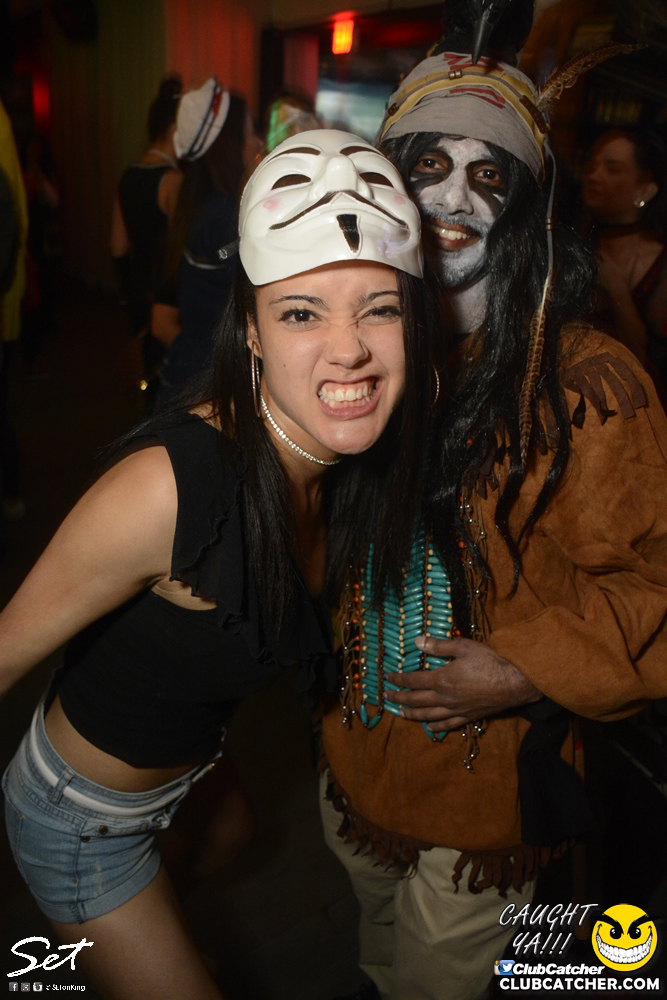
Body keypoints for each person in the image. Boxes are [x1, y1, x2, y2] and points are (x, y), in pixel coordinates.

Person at [1, 129, 429, 1000]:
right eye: (301, 312)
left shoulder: (352, 468)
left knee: (235, 839)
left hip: (191, 771)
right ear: (252, 332)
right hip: (76, 818)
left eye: (379, 308)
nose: (348, 348)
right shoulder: (168, 490)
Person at [319, 8, 667, 1000]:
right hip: (353, 766)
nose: (455, 198)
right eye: (429, 167)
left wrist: (522, 668)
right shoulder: (356, 341)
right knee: (378, 963)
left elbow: (655, 582)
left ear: (523, 207)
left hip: (487, 798)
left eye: (489, 175)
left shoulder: (585, 381)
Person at [153, 78, 261, 404]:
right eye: (249, 131)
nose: (257, 142)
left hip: (188, 375)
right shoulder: (223, 220)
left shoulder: (196, 205)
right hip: (210, 388)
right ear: (228, 145)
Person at [582, 128, 667, 388]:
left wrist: (617, 289)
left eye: (612, 169)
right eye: (593, 166)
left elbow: (651, 364)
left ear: (645, 189)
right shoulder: (575, 245)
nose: (594, 176)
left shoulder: (659, 264)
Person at [110, 75, 183, 336]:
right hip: (164, 296)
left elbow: (118, 246)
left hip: (137, 288)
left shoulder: (128, 175)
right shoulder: (173, 180)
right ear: (174, 128)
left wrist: (129, 293)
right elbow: (179, 251)